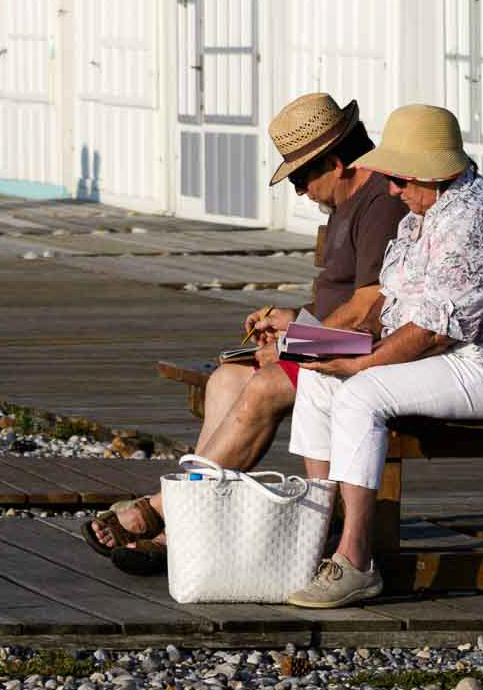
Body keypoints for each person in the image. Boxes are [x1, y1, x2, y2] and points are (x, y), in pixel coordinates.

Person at [84, 92, 409, 574]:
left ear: (336, 163)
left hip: (371, 349)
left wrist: (297, 341)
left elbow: (369, 310)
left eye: (301, 177)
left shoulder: (379, 202)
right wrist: (292, 320)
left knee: (262, 388)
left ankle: (170, 511)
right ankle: (191, 516)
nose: (300, 192)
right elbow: (342, 300)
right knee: (226, 380)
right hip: (334, 338)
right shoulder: (347, 200)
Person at [282, 104, 483, 608]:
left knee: (361, 393)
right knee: (315, 375)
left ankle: (355, 561)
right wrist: (313, 341)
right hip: (458, 357)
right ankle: (316, 535)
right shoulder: (426, 211)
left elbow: (434, 333)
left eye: (401, 178)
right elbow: (393, 306)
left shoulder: (475, 217)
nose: (392, 189)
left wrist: (360, 363)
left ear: (436, 172)